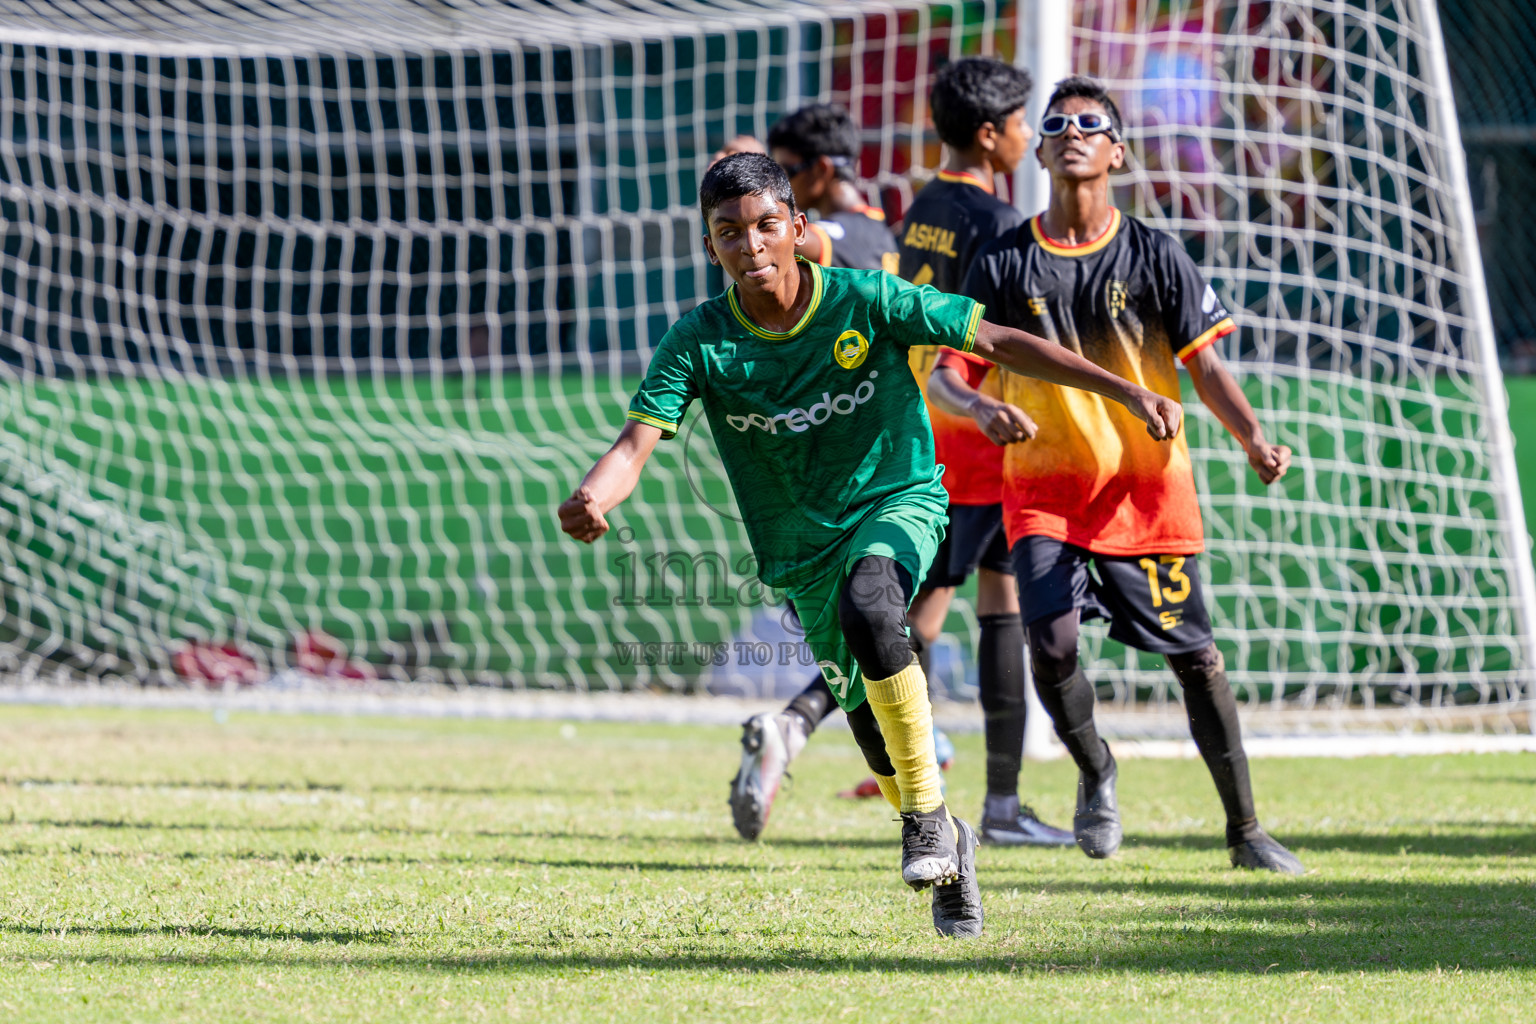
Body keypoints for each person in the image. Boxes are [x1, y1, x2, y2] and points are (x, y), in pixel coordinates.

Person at [559, 152, 1182, 935]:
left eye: (764, 226)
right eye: (729, 233)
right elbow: (634, 444)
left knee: (872, 603)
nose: (750, 244)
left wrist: (1126, 390)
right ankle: (946, 834)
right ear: (710, 246)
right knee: (871, 729)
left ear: (797, 228)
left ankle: (926, 820)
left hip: (900, 502)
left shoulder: (866, 299)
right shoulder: (699, 342)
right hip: (799, 551)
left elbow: (997, 341)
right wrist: (592, 496)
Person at [930, 75, 1303, 874]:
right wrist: (981, 408)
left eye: (1089, 122)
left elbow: (1207, 370)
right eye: (1056, 121)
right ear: (1038, 149)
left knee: (1195, 658)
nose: (1071, 130)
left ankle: (1245, 832)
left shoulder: (1158, 254)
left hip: (1147, 495)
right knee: (1052, 646)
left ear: (1117, 151)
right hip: (1043, 497)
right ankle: (1097, 770)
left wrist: (1252, 437)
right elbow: (943, 373)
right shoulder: (1002, 259)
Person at [729, 58, 1071, 849]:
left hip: (915, 434)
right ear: (994, 136)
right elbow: (988, 335)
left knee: (916, 617)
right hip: (962, 443)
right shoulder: (966, 226)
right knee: (960, 613)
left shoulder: (913, 214)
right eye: (1027, 124)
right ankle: (990, 803)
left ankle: (806, 726)